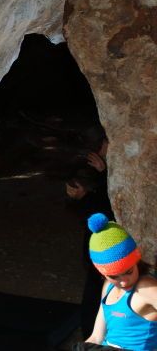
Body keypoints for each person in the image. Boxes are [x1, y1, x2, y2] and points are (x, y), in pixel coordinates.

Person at [84, 213, 157, 350]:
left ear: (136, 260)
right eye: (114, 276)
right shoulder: (108, 287)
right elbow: (96, 337)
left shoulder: (147, 288)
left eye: (129, 272)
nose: (123, 282)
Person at [66, 133, 114, 338]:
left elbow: (107, 206)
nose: (104, 148)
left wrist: (104, 174)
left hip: (109, 247)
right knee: (94, 296)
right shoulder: (91, 164)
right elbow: (91, 212)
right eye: (104, 143)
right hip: (97, 248)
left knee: (103, 295)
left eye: (106, 144)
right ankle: (91, 336)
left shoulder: (104, 169)